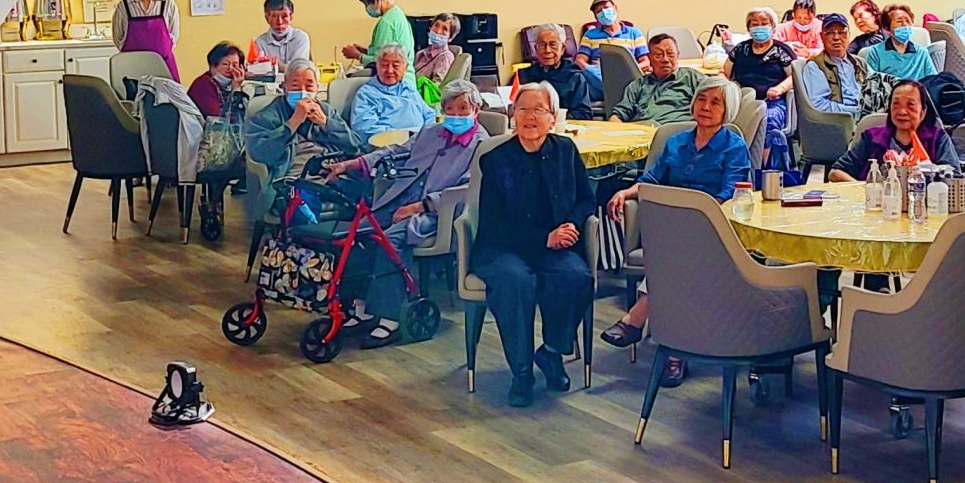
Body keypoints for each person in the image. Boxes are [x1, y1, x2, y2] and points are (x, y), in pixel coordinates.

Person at [598, 77, 753, 372]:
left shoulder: (734, 147)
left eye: (715, 102)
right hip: (671, 226)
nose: (705, 107)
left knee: (680, 263)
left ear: (728, 111)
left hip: (713, 227)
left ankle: (639, 322)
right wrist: (625, 192)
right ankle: (675, 352)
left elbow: (730, 194)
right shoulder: (676, 142)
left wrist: (697, 214)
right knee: (680, 258)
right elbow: (651, 180)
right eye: (701, 99)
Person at [321, 79, 484, 347]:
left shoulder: (481, 145)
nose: (456, 115)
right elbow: (396, 151)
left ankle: (389, 318)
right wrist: (352, 164)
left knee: (389, 241)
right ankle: (360, 308)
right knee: (355, 234)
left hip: (437, 214)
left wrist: (421, 206)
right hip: (399, 201)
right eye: (450, 109)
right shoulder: (431, 132)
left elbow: (468, 188)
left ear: (476, 110)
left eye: (463, 109)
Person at [475, 84, 593, 407]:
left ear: (553, 118)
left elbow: (586, 199)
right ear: (512, 115)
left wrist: (573, 224)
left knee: (576, 277)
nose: (529, 116)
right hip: (504, 247)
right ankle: (522, 372)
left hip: (554, 247)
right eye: (522, 109)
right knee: (515, 281)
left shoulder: (566, 150)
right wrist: (544, 238)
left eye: (538, 110)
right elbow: (494, 224)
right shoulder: (496, 160)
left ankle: (552, 352)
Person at [246, 59, 358, 210]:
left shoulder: (325, 111)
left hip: (332, 173)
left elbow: (354, 145)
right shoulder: (266, 117)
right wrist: (293, 123)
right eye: (295, 86)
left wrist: (326, 123)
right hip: (297, 180)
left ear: (317, 88)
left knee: (368, 192)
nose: (302, 91)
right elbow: (260, 153)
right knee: (303, 206)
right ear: (284, 87)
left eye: (309, 86)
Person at [828, 79, 960, 180]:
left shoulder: (937, 138)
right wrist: (865, 192)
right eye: (896, 104)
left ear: (923, 112)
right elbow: (836, 172)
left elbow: (954, 176)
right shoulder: (872, 138)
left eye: (910, 105)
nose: (902, 112)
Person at [730, 6, 797, 164]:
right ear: (748, 28)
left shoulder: (781, 50)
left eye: (764, 23)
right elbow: (724, 73)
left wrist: (779, 88)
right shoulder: (740, 49)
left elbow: (794, 77)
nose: (759, 27)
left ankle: (761, 167)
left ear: (773, 27)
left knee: (767, 121)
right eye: (754, 24)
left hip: (772, 101)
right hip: (744, 102)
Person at [613, 33, 707, 126]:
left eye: (670, 54)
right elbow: (618, 114)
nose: (665, 59)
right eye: (658, 55)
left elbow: (714, 92)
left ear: (677, 55)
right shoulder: (638, 85)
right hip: (646, 130)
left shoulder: (691, 77)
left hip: (682, 130)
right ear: (649, 58)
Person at [113, 0, 180, 81]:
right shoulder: (124, 6)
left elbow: (174, 36)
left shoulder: (168, 4)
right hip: (133, 68)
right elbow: (118, 38)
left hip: (164, 67)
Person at [349, 43, 433, 140]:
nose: (389, 70)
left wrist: (426, 135)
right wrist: (404, 136)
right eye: (384, 65)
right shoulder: (366, 94)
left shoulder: (408, 88)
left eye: (395, 66)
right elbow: (365, 129)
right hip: (391, 145)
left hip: (421, 141)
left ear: (405, 68)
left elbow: (429, 114)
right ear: (377, 66)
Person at [517, 23, 599, 119]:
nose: (547, 50)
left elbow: (583, 114)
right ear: (536, 49)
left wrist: (554, 118)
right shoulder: (524, 75)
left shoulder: (574, 77)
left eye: (553, 45)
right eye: (542, 45)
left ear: (562, 49)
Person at [796, 14, 867, 116]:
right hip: (841, 120)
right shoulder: (815, 66)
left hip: (866, 115)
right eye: (829, 33)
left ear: (848, 35)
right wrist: (857, 111)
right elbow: (819, 105)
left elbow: (877, 88)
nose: (836, 37)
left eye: (841, 32)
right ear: (822, 36)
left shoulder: (860, 63)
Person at [340, 0, 410, 67]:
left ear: (376, 1)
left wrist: (358, 56)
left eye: (366, 4)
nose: (366, 8)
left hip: (394, 74)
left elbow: (382, 61)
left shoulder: (386, 23)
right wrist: (366, 52)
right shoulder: (397, 14)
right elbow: (388, 51)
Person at [861, 4, 935, 83]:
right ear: (888, 28)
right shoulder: (876, 53)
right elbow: (871, 84)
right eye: (899, 21)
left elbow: (934, 82)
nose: (905, 24)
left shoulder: (922, 53)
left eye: (908, 21)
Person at [248, 0, 309, 77]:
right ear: (267, 18)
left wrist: (275, 65)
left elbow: (298, 69)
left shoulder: (301, 37)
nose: (279, 22)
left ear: (291, 17)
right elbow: (259, 72)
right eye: (274, 16)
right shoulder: (259, 42)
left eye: (284, 16)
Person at [578, 0, 643, 64]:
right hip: (599, 70)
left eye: (606, 7)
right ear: (596, 17)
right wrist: (590, 69)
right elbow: (580, 60)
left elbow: (645, 62)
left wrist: (632, 69)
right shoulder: (589, 35)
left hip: (627, 70)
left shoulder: (635, 33)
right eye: (599, 11)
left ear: (615, 8)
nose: (604, 12)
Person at [187, 41, 246, 119]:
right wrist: (235, 91)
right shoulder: (204, 85)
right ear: (213, 66)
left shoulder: (231, 85)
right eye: (225, 64)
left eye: (235, 65)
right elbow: (219, 120)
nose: (230, 68)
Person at [414, 12, 461, 89]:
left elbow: (435, 89)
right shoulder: (420, 54)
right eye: (436, 25)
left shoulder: (445, 57)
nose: (438, 31)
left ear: (450, 38)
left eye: (445, 29)